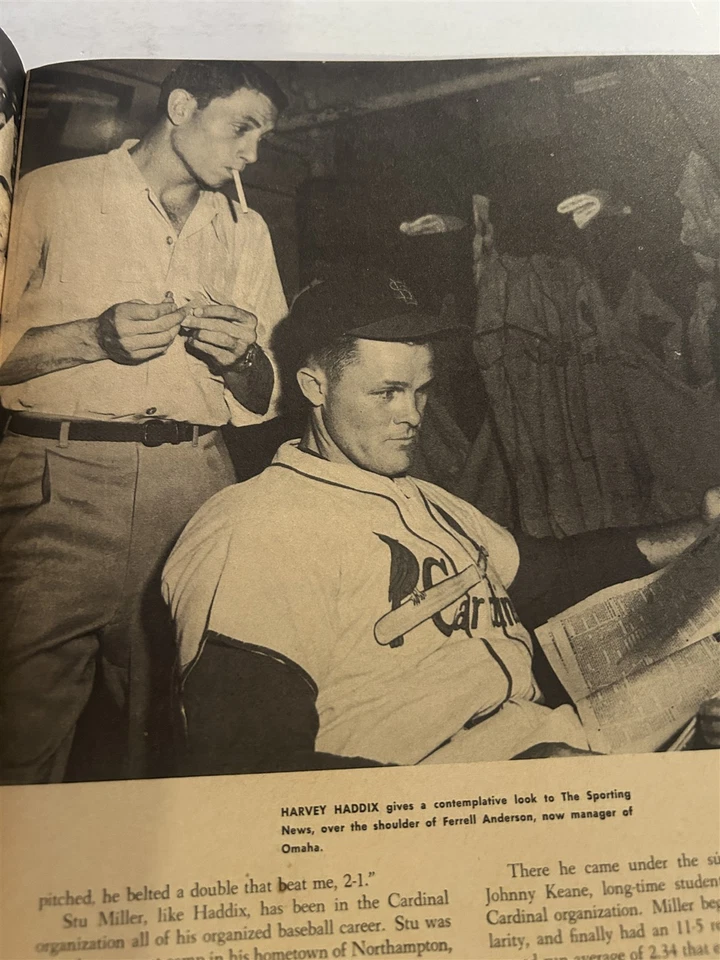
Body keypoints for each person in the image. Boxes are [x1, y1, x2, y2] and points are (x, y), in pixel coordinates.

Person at [162, 268, 717, 776]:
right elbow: (248, 765)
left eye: (422, 391)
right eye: (388, 393)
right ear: (314, 387)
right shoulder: (256, 526)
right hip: (437, 801)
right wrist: (491, 789)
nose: (412, 415)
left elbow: (555, 573)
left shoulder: (427, 500)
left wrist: (704, 524)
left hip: (548, 743)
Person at [0, 61, 289, 784]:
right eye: (241, 127)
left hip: (192, 487)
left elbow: (269, 394)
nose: (251, 154)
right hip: (54, 486)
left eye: (264, 138)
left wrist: (242, 358)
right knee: (18, 725)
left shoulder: (245, 230)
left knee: (159, 733)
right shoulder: (49, 193)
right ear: (183, 106)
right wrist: (93, 338)